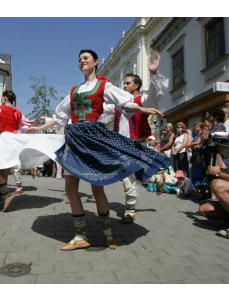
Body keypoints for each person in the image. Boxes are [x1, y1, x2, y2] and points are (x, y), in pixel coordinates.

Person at [25, 49, 170, 251]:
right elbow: (59, 117)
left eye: (86, 58)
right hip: (74, 139)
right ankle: (80, 235)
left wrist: (143, 109)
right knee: (70, 188)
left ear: (95, 62)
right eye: (79, 59)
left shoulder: (104, 86)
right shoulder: (74, 91)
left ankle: (107, 233)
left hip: (93, 138)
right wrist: (38, 129)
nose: (82, 61)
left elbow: (126, 102)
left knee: (97, 187)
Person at [103, 52, 168, 224]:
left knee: (127, 177)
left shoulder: (142, 100)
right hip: (120, 145)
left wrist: (154, 74)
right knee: (132, 175)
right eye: (123, 83)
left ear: (136, 85)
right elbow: (101, 107)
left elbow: (156, 96)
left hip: (136, 144)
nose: (124, 86)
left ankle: (130, 211)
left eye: (127, 83)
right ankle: (156, 178)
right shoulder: (118, 104)